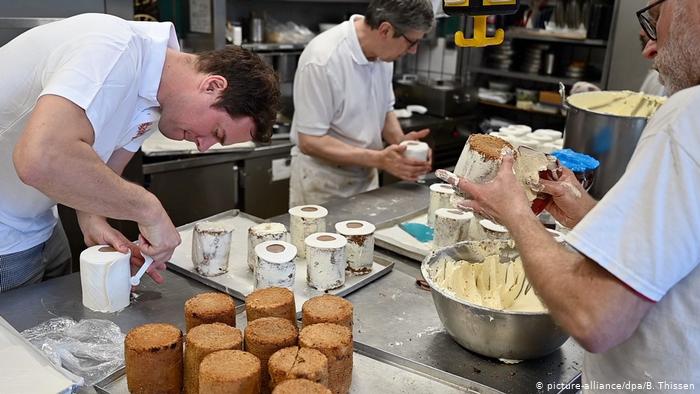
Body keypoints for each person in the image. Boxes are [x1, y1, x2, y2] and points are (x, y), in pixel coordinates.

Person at [453, 0, 699, 390]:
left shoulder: (689, 114)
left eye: (658, 20)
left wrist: (515, 212)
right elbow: (673, 252)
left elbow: (593, 317)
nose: (650, 49)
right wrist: (586, 215)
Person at [0, 13, 279, 293]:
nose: (203, 146)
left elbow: (101, 169)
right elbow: (40, 159)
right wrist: (150, 210)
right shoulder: (112, 50)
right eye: (217, 133)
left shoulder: (155, 99)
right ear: (213, 86)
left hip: (40, 225)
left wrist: (92, 219)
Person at [289, 0, 434, 207]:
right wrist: (380, 160)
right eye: (411, 42)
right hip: (322, 182)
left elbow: (385, 110)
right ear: (385, 30)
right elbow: (310, 141)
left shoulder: (384, 56)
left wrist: (402, 145)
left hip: (365, 176)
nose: (413, 51)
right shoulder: (323, 60)